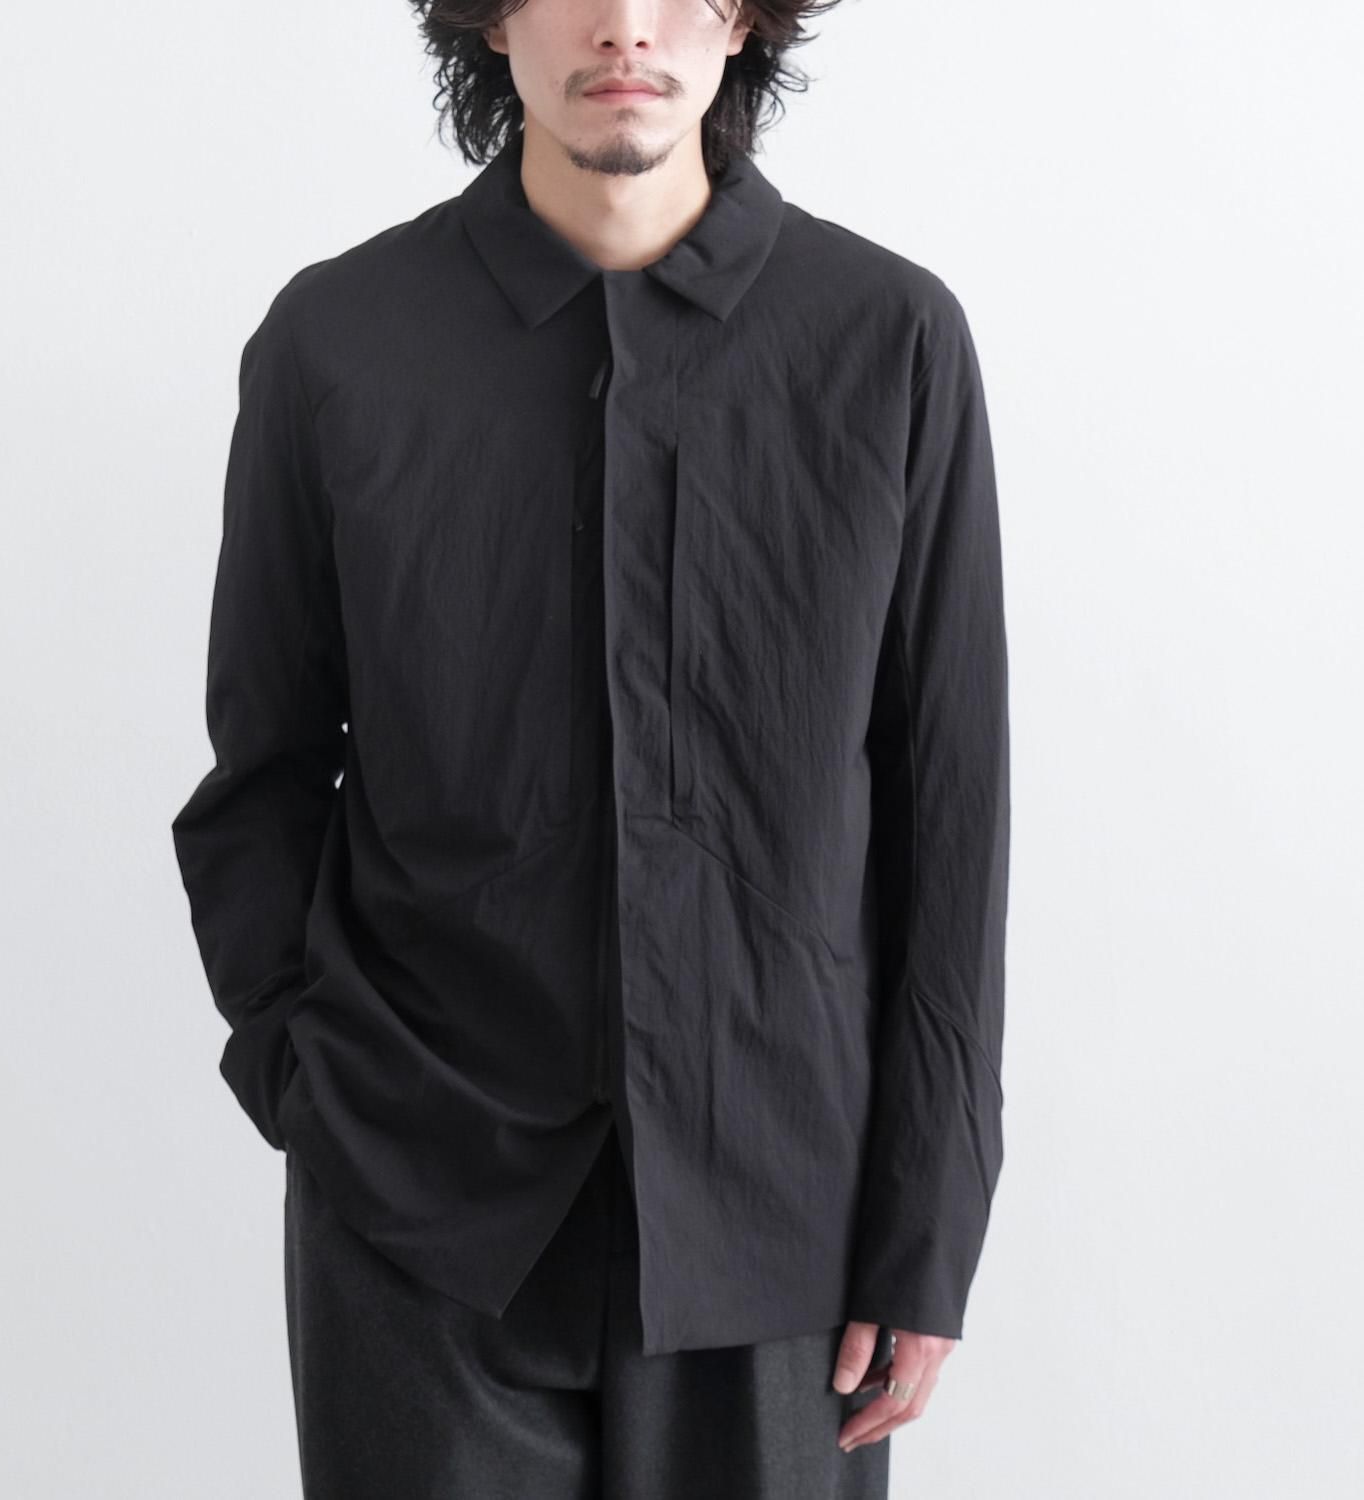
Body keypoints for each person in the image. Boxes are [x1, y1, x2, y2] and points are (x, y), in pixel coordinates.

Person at [171, 1, 1011, 1494]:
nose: (625, 25)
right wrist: (311, 1081)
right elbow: (264, 770)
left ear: (744, 17)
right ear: (492, 20)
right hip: (422, 1216)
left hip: (784, 1230)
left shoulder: (890, 341)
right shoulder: (336, 343)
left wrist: (927, 1222)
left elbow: (950, 814)